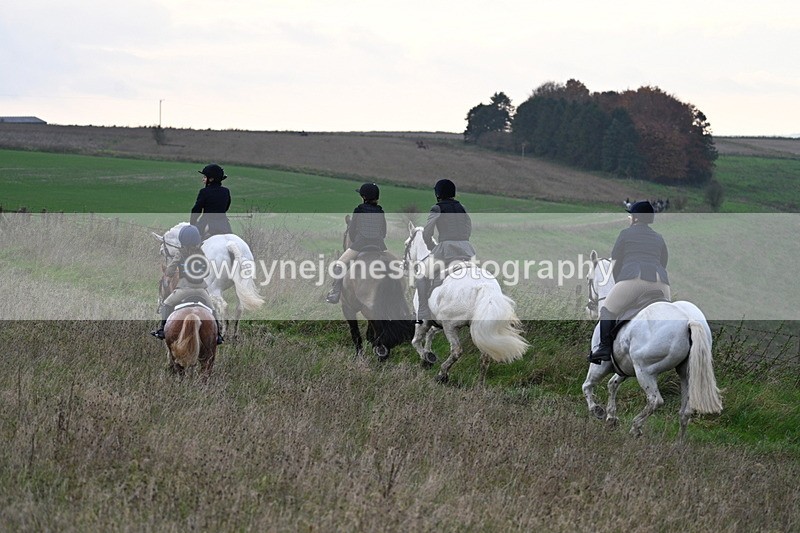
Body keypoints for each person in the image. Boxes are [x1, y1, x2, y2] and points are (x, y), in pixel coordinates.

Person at [589, 200, 671, 364]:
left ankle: (604, 348)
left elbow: (615, 263)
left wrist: (621, 281)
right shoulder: (659, 238)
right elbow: (664, 262)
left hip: (635, 279)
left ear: (634, 218)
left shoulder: (625, 234)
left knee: (607, 310)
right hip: (662, 283)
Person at [151, 224, 224, 345]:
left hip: (184, 289)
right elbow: (207, 272)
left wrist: (175, 268)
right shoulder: (200, 253)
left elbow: (169, 271)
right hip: (201, 290)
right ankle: (218, 335)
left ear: (182, 239)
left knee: (166, 304)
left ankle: (162, 330)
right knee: (213, 309)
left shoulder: (180, 254)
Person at [416, 179, 476, 322]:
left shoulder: (437, 208)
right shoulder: (462, 207)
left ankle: (423, 311)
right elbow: (468, 227)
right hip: (467, 249)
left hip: (445, 250)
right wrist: (462, 240)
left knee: (421, 275)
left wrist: (432, 246)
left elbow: (427, 232)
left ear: (438, 194)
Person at [325, 183, 387, 304]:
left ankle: (335, 292)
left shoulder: (358, 210)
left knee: (339, 264)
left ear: (364, 197)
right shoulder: (381, 212)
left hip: (360, 245)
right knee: (393, 267)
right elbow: (383, 232)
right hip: (379, 246)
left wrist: (356, 241)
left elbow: (352, 232)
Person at [190, 163, 232, 239]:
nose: (203, 179)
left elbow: (196, 210)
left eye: (205, 177)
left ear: (211, 179)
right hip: (224, 224)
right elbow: (226, 207)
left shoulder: (204, 191)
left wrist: (192, 223)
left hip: (207, 224)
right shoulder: (226, 191)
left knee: (192, 242)